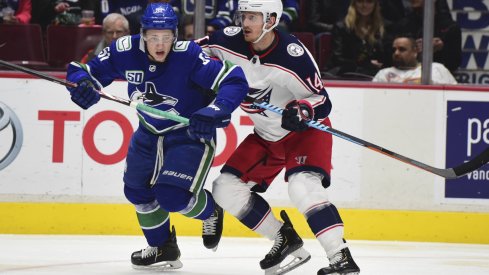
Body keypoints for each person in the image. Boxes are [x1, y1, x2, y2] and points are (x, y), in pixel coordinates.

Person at [64, 1, 248, 270]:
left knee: (172, 197)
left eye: (166, 38)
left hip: (188, 133)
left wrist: (214, 110)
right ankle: (163, 247)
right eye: (153, 38)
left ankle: (211, 211)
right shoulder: (124, 50)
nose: (160, 44)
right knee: (136, 191)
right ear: (143, 35)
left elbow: (233, 79)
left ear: (175, 36)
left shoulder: (189, 55)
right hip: (148, 132)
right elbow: (83, 70)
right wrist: (82, 84)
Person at [199, 0, 360, 274]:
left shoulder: (293, 56)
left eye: (252, 17)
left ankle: (341, 257)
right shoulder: (225, 40)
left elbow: (322, 101)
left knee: (302, 188)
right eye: (243, 16)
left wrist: (302, 109)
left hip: (305, 133)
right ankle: (283, 238)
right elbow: (188, 54)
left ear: (271, 21)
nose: (244, 23)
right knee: (225, 189)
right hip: (266, 136)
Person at [387, 0, 461, 72]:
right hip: (405, 76)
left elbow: (453, 65)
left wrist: (442, 48)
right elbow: (390, 60)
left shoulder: (450, 28)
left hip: (438, 78)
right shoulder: (402, 25)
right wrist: (410, 49)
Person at [326, 0, 385, 78]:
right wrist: (366, 63)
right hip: (346, 72)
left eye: (369, 2)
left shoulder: (382, 27)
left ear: (375, 5)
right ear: (354, 4)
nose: (364, 5)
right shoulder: (342, 27)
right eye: (360, 1)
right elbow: (337, 58)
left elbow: (384, 56)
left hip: (374, 73)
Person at [372, 36, 457, 84]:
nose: (396, 53)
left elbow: (454, 94)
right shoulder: (383, 74)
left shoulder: (435, 68)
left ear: (415, 52)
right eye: (394, 50)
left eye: (402, 49)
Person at [170, 0, 235, 37]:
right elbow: (172, 11)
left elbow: (225, 16)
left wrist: (212, 26)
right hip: (182, 33)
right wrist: (185, 23)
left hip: (211, 35)